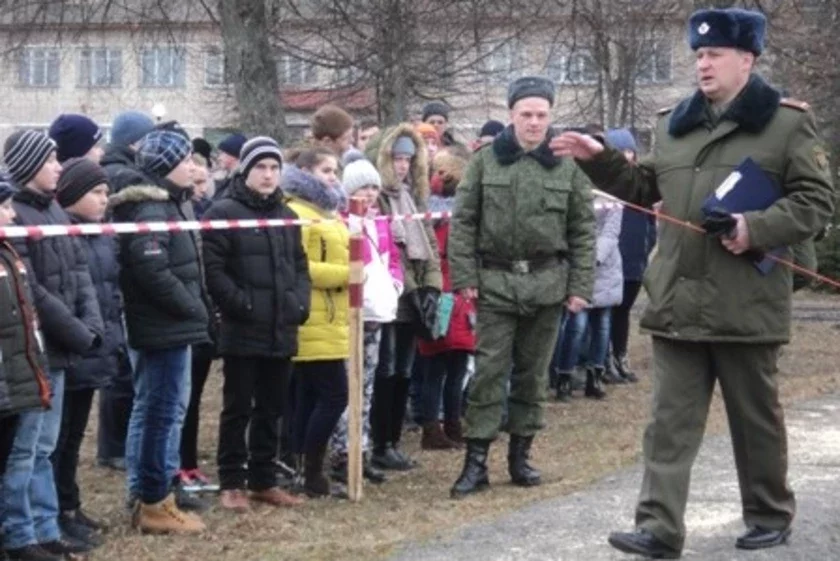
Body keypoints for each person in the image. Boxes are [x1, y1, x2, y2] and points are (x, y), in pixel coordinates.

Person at [550, 8, 835, 558]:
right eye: (699, 55)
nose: (703, 63)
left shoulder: (787, 123)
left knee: (756, 421)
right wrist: (601, 161)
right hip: (678, 296)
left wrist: (756, 227)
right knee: (668, 424)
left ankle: (769, 514)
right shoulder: (673, 124)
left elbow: (816, 201)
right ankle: (659, 528)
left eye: (715, 54)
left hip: (746, 301)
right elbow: (643, 186)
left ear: (746, 59)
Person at [448, 76, 595, 499]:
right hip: (494, 284)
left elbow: (583, 230)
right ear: (511, 115)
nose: (534, 123)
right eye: (526, 114)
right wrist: (466, 278)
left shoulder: (567, 166)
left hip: (548, 285)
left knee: (533, 376)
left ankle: (520, 457)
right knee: (489, 375)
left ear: (551, 117)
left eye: (542, 115)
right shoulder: (484, 162)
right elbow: (464, 223)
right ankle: (476, 463)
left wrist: (579, 286)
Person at [3, 130, 105, 560]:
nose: (59, 167)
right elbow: (34, 291)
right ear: (28, 166)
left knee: (45, 447)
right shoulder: (20, 217)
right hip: (39, 347)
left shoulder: (57, 213)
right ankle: (19, 531)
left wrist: (91, 323)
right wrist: (77, 332)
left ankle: (46, 527)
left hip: (59, 348)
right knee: (25, 450)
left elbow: (80, 272)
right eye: (49, 161)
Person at [110, 130, 211, 534]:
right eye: (187, 159)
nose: (195, 167)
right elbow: (153, 271)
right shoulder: (152, 210)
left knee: (155, 409)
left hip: (169, 325)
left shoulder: (169, 203)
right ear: (167, 165)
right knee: (161, 413)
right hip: (162, 327)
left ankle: (148, 490)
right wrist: (195, 311)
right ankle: (154, 500)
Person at [203, 136, 310, 511]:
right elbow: (213, 271)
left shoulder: (287, 215)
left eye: (274, 168)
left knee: (273, 406)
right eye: (261, 168)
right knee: (238, 407)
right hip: (243, 327)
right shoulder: (222, 212)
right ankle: (231, 481)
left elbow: (299, 265)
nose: (268, 175)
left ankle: (264, 479)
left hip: (282, 325)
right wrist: (241, 304)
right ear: (246, 170)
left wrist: (299, 304)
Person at [54, 158, 125, 547]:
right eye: (96, 193)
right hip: (73, 344)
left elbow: (109, 290)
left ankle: (70, 504)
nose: (104, 200)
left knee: (75, 434)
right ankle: (57, 510)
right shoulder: (61, 232)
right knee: (60, 437)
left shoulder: (102, 235)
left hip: (97, 343)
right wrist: (84, 333)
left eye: (106, 192)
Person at [369, 125, 442, 472]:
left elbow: (428, 246)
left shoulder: (414, 197)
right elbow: (391, 250)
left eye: (408, 159)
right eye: (397, 158)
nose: (402, 166)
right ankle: (379, 440)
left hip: (415, 295)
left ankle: (393, 440)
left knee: (404, 372)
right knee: (387, 370)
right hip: (392, 295)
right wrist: (414, 289)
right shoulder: (379, 198)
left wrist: (432, 286)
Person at [283, 148, 350, 498]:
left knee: (311, 398)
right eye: (326, 170)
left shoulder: (326, 212)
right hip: (313, 318)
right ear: (306, 172)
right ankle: (311, 472)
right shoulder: (298, 213)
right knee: (334, 395)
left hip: (330, 316)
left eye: (335, 169)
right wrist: (347, 275)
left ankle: (306, 471)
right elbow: (300, 267)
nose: (334, 176)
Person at [328, 159, 399, 485]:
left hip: (378, 311)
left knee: (368, 384)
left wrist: (395, 284)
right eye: (362, 188)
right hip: (351, 312)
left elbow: (392, 259)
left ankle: (362, 448)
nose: (369, 195)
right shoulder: (343, 224)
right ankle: (343, 451)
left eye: (373, 188)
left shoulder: (379, 223)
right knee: (349, 384)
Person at [0, 174, 52, 560]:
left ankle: (19, 536)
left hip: (20, 377)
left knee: (16, 458)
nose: (12, 214)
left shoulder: (8, 253)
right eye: (3, 206)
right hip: (7, 383)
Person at [417, 146, 476, 449]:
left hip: (461, 292)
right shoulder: (432, 212)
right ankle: (431, 424)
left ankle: (453, 420)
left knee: (458, 362)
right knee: (437, 364)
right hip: (443, 293)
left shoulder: (464, 211)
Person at [550, 194, 623, 401]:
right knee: (576, 326)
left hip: (604, 267)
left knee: (602, 326)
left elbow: (611, 232)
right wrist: (580, 258)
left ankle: (595, 377)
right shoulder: (572, 193)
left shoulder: (611, 198)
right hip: (578, 264)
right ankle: (564, 377)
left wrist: (592, 258)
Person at [604, 129, 655, 384]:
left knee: (624, 310)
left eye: (629, 151)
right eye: (620, 151)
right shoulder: (606, 186)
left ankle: (621, 357)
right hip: (614, 260)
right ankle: (606, 359)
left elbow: (651, 225)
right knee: (610, 310)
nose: (626, 155)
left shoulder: (641, 185)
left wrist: (646, 249)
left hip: (636, 261)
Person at [100, 110, 156, 193]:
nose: (154, 146)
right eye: (150, 141)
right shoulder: (127, 177)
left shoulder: (112, 163)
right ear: (133, 143)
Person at [212, 133, 247, 201]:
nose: (219, 158)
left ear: (233, 156)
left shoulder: (238, 184)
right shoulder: (232, 181)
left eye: (222, 153)